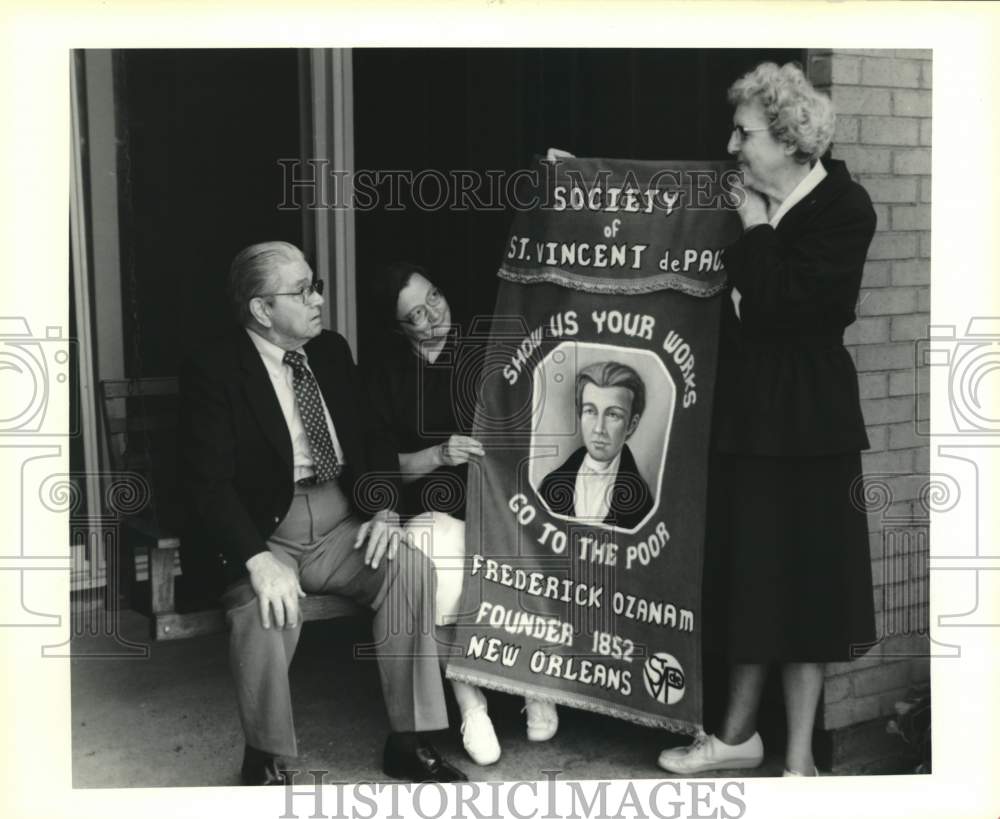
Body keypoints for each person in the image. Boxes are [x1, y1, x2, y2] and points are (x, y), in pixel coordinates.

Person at [658, 62, 877, 778]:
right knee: (751, 574)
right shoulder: (744, 193)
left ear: (787, 140)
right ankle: (736, 736)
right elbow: (665, 201)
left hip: (811, 424)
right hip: (750, 418)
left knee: (806, 582)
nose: (732, 144)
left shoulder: (845, 208)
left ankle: (801, 759)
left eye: (745, 133)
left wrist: (754, 230)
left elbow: (789, 309)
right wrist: (577, 183)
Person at [179, 242, 467, 785]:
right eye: (303, 291)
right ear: (262, 310)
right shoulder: (215, 368)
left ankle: (410, 740)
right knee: (266, 606)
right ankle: (266, 757)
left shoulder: (331, 351)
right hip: (267, 531)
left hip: (340, 520)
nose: (317, 300)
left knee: (410, 570)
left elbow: (368, 440)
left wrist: (383, 508)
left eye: (316, 286)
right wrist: (256, 559)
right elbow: (207, 484)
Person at [366, 262, 560, 766]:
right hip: (432, 507)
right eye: (415, 315)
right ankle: (472, 704)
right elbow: (381, 470)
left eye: (434, 296)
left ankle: (530, 679)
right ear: (398, 328)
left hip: (497, 501)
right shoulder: (384, 375)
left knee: (526, 543)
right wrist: (438, 454)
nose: (432, 314)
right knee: (441, 566)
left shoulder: (486, 347)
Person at [538, 360, 654, 531]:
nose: (599, 429)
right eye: (590, 411)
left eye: (613, 415)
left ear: (632, 424)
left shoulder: (642, 503)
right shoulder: (551, 485)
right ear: (580, 415)